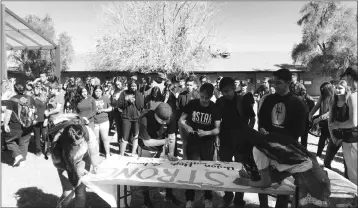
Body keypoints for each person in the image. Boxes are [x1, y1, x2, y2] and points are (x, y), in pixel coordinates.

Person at [234, 126, 331, 208]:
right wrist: (252, 178)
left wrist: (246, 182)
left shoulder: (258, 149)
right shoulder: (268, 140)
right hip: (316, 177)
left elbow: (266, 182)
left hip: (309, 182)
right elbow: (282, 171)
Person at [258, 68, 308, 208]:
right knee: (263, 177)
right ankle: (263, 205)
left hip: (287, 149)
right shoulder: (268, 100)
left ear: (288, 83)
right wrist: (262, 129)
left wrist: (280, 140)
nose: (274, 85)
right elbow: (262, 120)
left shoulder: (297, 103)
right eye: (273, 82)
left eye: (278, 82)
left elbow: (299, 130)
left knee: (283, 184)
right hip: (266, 147)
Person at [215, 77, 257, 208]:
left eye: (227, 91)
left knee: (241, 169)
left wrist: (247, 133)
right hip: (225, 140)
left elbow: (252, 118)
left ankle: (239, 198)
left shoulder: (242, 100)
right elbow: (217, 120)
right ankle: (228, 196)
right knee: (226, 169)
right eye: (222, 91)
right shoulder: (220, 101)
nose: (224, 94)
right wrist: (217, 137)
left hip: (241, 141)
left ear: (234, 88)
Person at [179, 83, 221, 208]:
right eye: (202, 96)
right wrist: (187, 127)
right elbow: (181, 120)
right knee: (191, 169)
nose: (203, 100)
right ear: (199, 93)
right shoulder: (193, 104)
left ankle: (208, 198)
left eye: (206, 98)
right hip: (193, 142)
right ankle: (189, 199)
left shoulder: (214, 108)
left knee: (207, 170)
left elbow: (218, 129)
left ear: (211, 96)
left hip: (207, 143)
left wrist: (207, 132)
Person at [49, 114, 100, 208]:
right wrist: (76, 170)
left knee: (80, 190)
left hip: (83, 159)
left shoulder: (86, 132)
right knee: (68, 192)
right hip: (64, 164)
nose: (81, 146)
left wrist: (95, 166)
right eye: (77, 145)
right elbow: (60, 165)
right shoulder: (57, 148)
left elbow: (93, 152)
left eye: (82, 142)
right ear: (68, 144)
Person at [138, 103, 180, 208]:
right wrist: (165, 141)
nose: (165, 123)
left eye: (166, 121)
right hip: (146, 149)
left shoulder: (170, 116)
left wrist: (170, 153)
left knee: (166, 171)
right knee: (145, 174)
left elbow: (172, 136)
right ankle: (146, 199)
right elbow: (147, 142)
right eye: (162, 121)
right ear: (155, 115)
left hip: (161, 147)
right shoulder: (144, 118)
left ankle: (169, 194)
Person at [329, 68, 357, 185]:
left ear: (349, 77)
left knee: (353, 175)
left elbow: (353, 123)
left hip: (352, 139)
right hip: (350, 139)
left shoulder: (353, 96)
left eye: (345, 77)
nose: (345, 80)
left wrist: (337, 125)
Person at [3, 83, 37, 167]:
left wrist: (5, 124)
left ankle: (18, 155)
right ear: (24, 89)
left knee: (9, 141)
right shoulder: (30, 98)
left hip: (15, 126)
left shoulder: (12, 100)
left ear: (15, 90)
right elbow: (35, 111)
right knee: (24, 142)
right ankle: (22, 161)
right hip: (28, 125)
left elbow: (8, 114)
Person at [118, 80, 144, 156]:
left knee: (136, 136)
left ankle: (133, 153)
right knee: (125, 136)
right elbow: (119, 104)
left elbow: (140, 106)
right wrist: (128, 102)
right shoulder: (124, 93)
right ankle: (122, 154)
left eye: (135, 86)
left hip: (136, 118)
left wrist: (136, 95)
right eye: (132, 86)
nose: (133, 87)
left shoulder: (139, 94)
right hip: (126, 117)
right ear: (129, 86)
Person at [308, 82, 335, 158]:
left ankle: (328, 158)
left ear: (328, 90)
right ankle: (318, 154)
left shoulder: (334, 97)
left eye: (323, 90)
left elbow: (330, 112)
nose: (322, 92)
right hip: (324, 122)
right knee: (322, 138)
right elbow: (316, 106)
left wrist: (318, 119)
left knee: (331, 140)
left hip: (332, 122)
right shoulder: (322, 96)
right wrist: (310, 114)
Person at [176, 76, 200, 159]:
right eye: (187, 85)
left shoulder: (197, 95)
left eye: (190, 85)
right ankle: (185, 158)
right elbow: (178, 108)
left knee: (194, 142)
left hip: (193, 122)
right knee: (184, 141)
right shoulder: (181, 95)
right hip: (182, 121)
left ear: (194, 86)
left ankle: (195, 159)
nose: (188, 86)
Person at [92, 85, 113, 158]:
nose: (97, 93)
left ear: (102, 92)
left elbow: (110, 108)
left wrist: (103, 110)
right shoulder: (92, 99)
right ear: (94, 92)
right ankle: (97, 153)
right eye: (96, 91)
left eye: (99, 91)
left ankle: (107, 153)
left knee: (105, 138)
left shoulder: (105, 98)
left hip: (104, 121)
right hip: (95, 121)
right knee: (96, 139)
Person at [33, 82, 48, 156]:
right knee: (37, 136)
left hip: (44, 120)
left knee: (45, 136)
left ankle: (46, 150)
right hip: (36, 120)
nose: (39, 90)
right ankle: (38, 150)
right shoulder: (34, 99)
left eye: (40, 88)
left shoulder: (47, 100)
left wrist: (46, 119)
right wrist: (34, 118)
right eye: (37, 88)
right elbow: (33, 110)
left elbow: (48, 110)